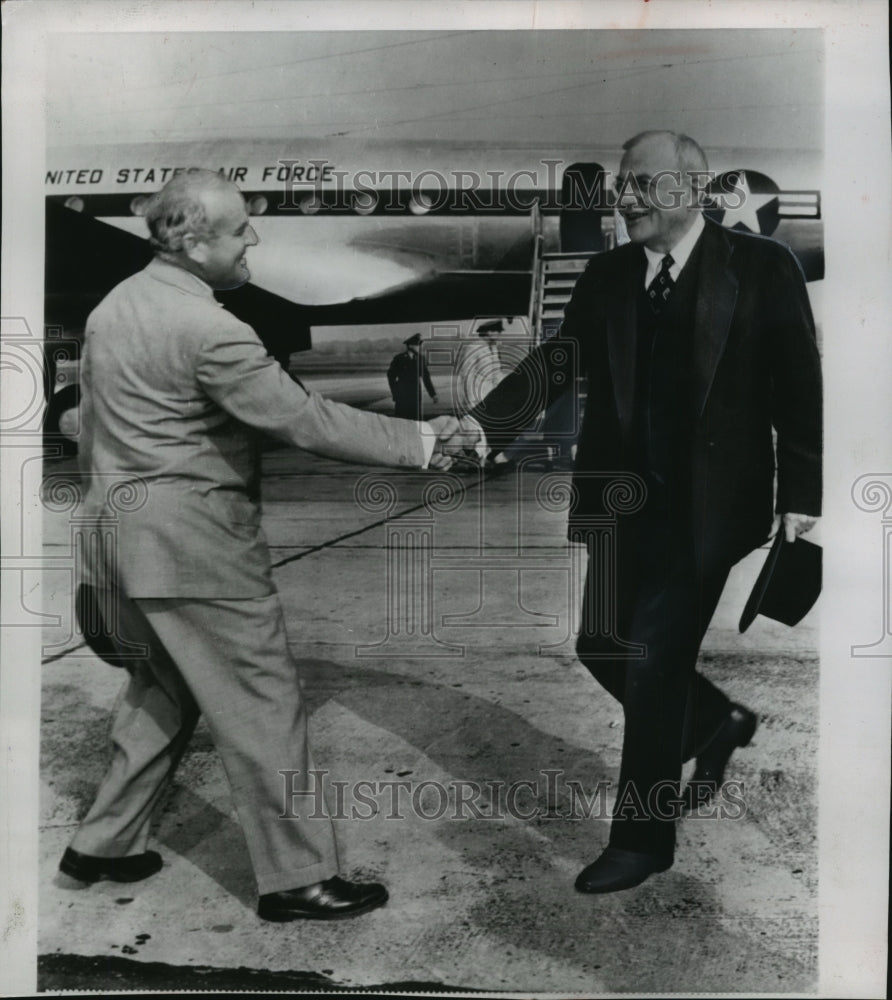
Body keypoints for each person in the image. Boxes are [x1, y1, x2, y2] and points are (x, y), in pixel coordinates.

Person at [60, 169, 461, 921]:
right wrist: (425, 441)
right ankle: (297, 879)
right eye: (241, 227)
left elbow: (92, 432)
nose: (254, 239)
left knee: (162, 692)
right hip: (197, 552)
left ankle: (103, 846)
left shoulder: (117, 306)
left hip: (119, 544)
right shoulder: (209, 328)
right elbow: (302, 419)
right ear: (194, 238)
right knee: (264, 708)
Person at [450, 131, 822, 893]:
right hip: (620, 501)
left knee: (651, 661)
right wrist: (484, 426)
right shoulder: (610, 274)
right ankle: (713, 723)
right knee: (600, 644)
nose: (626, 199)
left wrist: (802, 497)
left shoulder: (760, 266)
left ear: (693, 187)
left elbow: (798, 382)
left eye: (645, 184)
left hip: (712, 509)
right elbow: (560, 362)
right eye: (624, 184)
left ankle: (642, 839)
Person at [454, 319, 504, 411]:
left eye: (499, 331)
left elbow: (497, 374)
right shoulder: (474, 348)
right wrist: (471, 401)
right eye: (496, 330)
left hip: (491, 398)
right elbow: (466, 375)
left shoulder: (494, 349)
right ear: (488, 332)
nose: (499, 333)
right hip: (477, 398)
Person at [387, 332, 438, 419]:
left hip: (415, 396)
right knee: (401, 422)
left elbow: (426, 378)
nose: (419, 347)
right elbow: (390, 376)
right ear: (410, 346)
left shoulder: (421, 359)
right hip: (402, 397)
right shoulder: (399, 359)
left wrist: (433, 394)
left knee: (415, 422)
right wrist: (396, 393)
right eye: (417, 345)